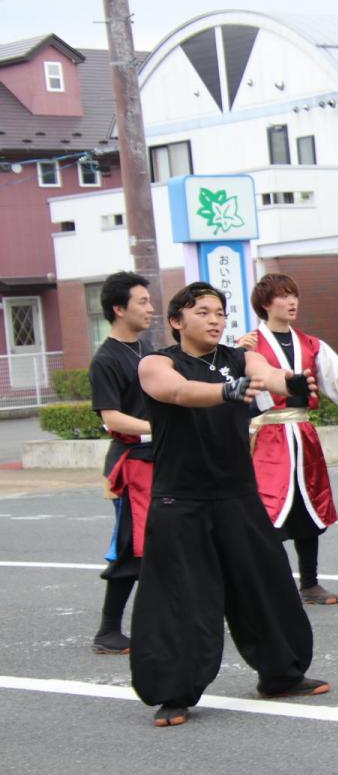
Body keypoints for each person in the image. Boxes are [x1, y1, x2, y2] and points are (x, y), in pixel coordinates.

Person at [132, 282, 330, 728]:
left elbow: (268, 375)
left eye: (219, 312)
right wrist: (226, 392)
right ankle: (173, 693)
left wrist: (290, 382)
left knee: (266, 583)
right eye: (202, 312)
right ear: (177, 321)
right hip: (180, 499)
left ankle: (281, 674)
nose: (215, 319)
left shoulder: (240, 357)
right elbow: (180, 393)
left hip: (237, 494)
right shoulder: (158, 362)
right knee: (183, 598)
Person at [237, 273, 338, 606]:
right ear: (264, 303)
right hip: (267, 438)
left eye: (294, 295)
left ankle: (310, 582)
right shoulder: (249, 344)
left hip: (302, 435)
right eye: (283, 296)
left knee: (307, 509)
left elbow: (336, 380)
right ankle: (271, 584)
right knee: (268, 512)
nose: (292, 302)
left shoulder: (310, 344)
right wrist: (235, 353)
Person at [87, 271, 155, 654]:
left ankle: (169, 619)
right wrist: (158, 429)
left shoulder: (150, 350)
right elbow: (112, 418)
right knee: (131, 547)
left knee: (170, 545)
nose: (150, 308)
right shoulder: (106, 359)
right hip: (131, 468)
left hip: (161, 462)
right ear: (118, 308)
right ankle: (108, 630)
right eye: (142, 301)